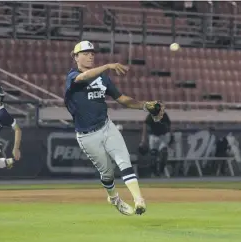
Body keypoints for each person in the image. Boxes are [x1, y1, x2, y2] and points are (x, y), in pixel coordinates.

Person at [64, 40, 165, 215]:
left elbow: (121, 99)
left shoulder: (102, 78)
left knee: (123, 161)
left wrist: (143, 105)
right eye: (85, 53)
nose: (90, 56)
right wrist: (107, 65)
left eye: (92, 53)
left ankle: (139, 200)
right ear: (76, 57)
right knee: (107, 173)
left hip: (106, 127)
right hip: (87, 136)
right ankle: (114, 198)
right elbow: (83, 78)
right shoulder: (72, 76)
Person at [139, 110, 172, 177]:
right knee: (153, 156)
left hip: (163, 135)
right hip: (153, 136)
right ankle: (154, 172)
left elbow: (169, 125)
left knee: (164, 153)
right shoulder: (151, 115)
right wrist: (143, 139)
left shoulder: (164, 114)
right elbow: (145, 125)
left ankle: (161, 170)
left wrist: (171, 135)